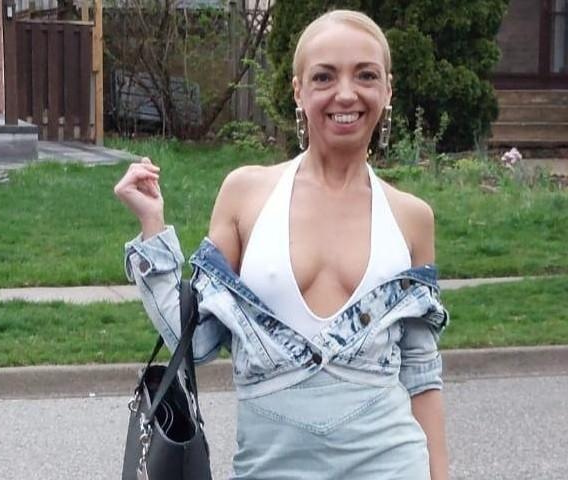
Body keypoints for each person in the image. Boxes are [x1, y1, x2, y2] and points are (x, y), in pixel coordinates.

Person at [114, 9, 449, 480]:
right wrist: (152, 227)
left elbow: (421, 370)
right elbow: (197, 341)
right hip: (269, 468)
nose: (346, 93)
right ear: (298, 90)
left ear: (388, 90)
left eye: (366, 75)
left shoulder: (412, 217)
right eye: (325, 76)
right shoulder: (246, 194)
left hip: (391, 465)